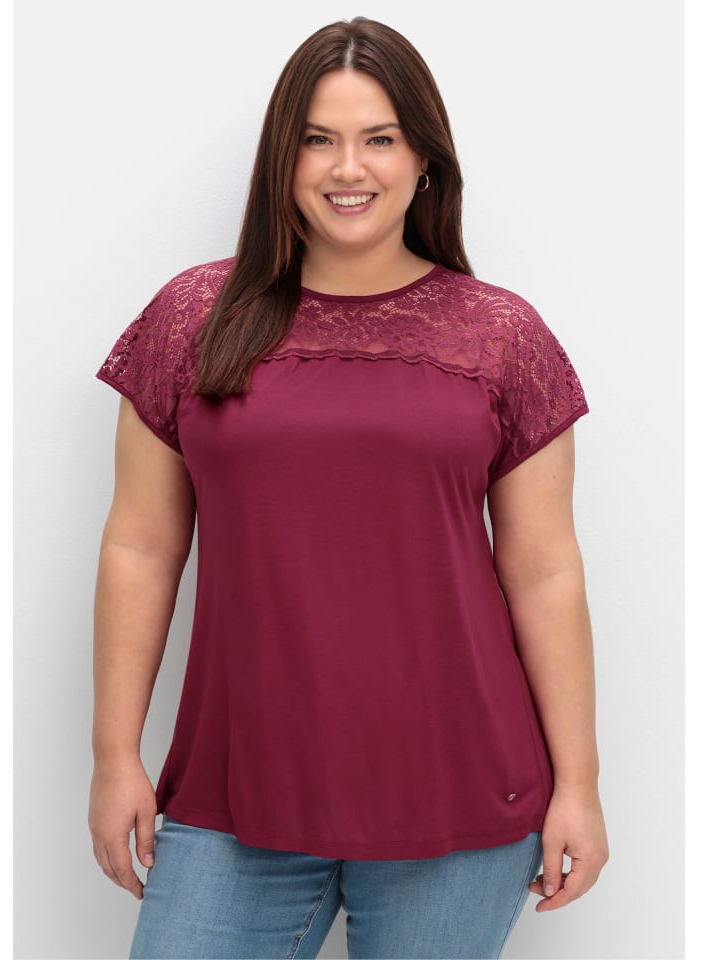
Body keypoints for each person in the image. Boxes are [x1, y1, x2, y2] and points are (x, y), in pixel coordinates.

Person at [88, 16, 609, 960]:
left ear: (424, 160)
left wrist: (580, 784)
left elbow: (543, 572)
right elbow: (141, 547)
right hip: (235, 796)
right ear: (281, 159)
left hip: (458, 794)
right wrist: (113, 754)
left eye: (379, 139)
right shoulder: (193, 318)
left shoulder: (502, 336)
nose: (347, 168)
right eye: (318, 139)